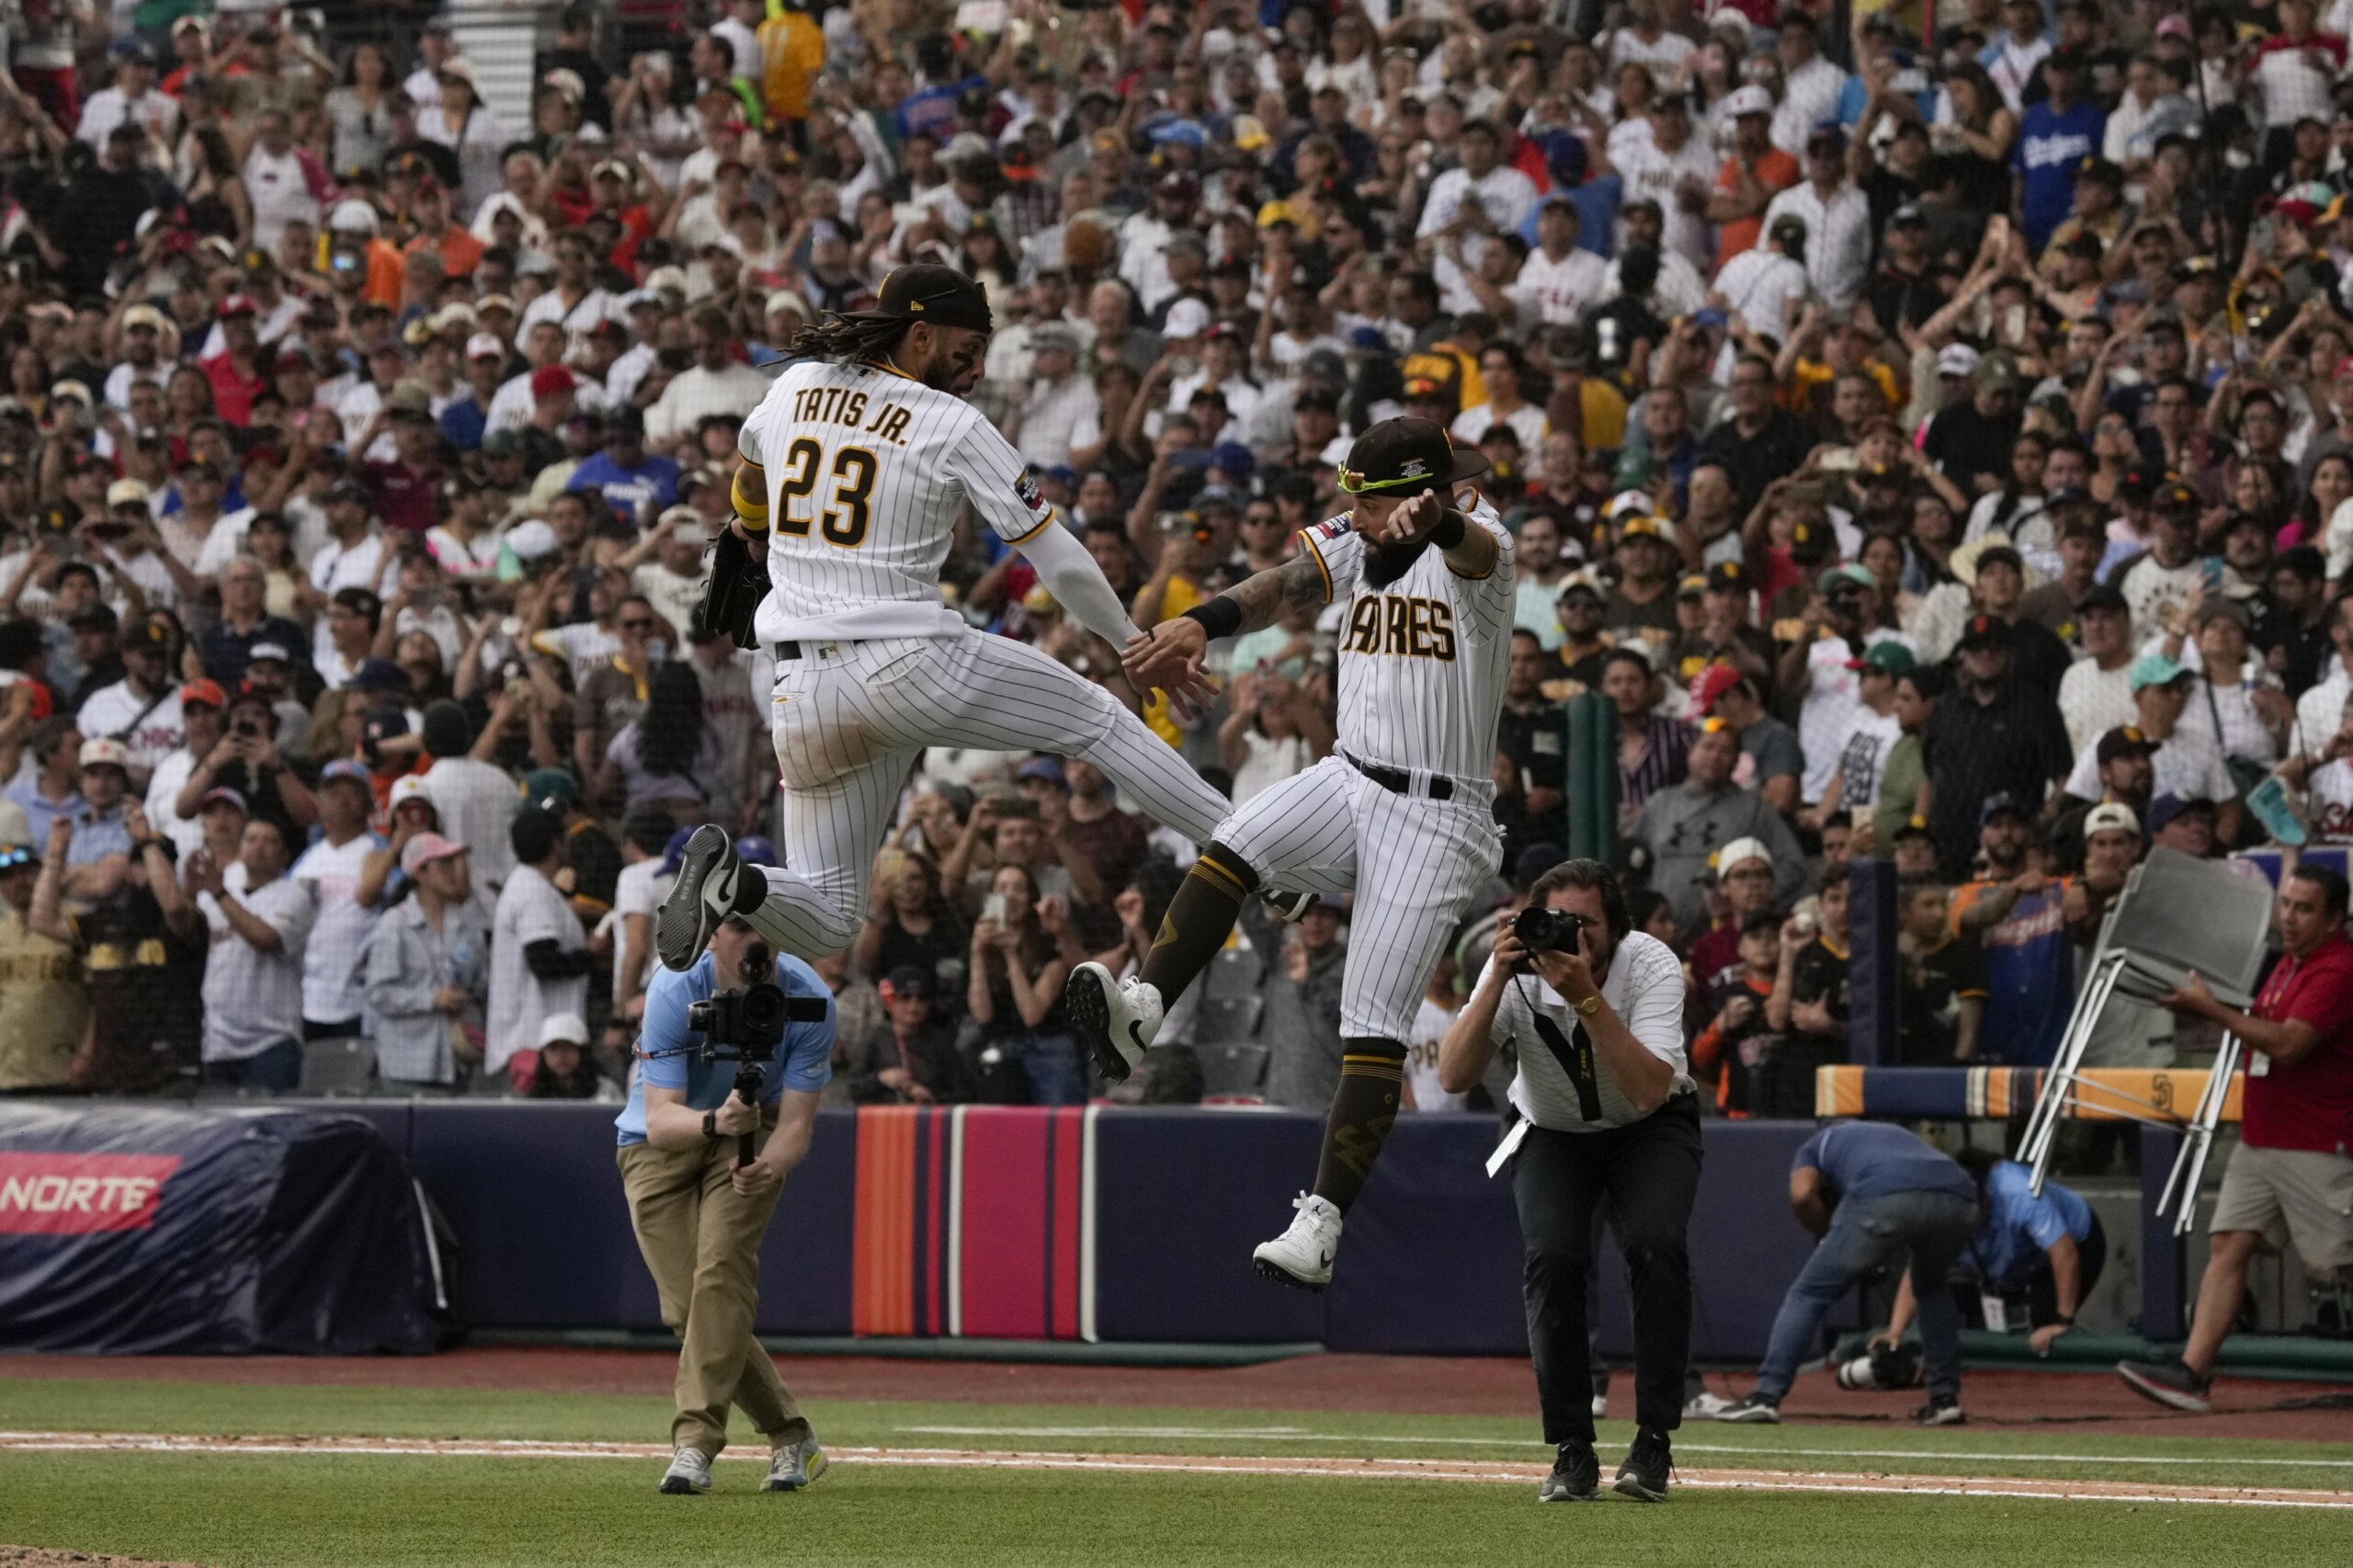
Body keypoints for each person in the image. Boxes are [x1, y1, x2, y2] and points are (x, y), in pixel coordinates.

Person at [659, 265, 1236, 971]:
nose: (979, 366)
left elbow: (749, 472)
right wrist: (1128, 640)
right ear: (920, 333)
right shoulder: (951, 422)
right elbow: (1058, 557)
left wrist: (751, 532)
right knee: (1100, 718)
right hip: (907, 661)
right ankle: (1250, 849)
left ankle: (734, 882)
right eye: (968, 347)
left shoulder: (794, 386)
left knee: (831, 915)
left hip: (803, 691)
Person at [1075, 416, 1514, 1290]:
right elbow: (1282, 584)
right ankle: (1143, 1008)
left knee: (1371, 1018)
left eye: (1365, 494)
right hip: (1352, 775)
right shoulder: (1363, 534)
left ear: (1418, 492)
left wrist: (1436, 524)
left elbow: (1469, 553)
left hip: (1437, 814)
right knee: (1234, 837)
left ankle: (1321, 1222)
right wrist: (1202, 621)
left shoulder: (1483, 538)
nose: (1347, 508)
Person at [1435, 859, 1699, 1504]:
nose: (1570, 935)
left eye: (1586, 923)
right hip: (1551, 1130)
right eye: (1557, 920)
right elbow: (1451, 1075)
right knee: (1552, 1255)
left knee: (1657, 1243)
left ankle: (1653, 1441)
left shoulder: (1652, 963)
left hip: (1651, 1125)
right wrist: (1495, 976)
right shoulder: (1516, 970)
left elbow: (1647, 1091)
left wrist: (1585, 995)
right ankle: (1572, 1446)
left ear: (1617, 927)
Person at [2120, 865, 2353, 1413]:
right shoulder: (2289, 965)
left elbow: (2290, 1045)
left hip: (2317, 1142)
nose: (2288, 919)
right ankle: (2191, 1375)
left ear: (2334, 919)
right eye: (2286, 905)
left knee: (2341, 1265)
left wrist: (2211, 1010)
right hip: (2263, 1138)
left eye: (2303, 909)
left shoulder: (2338, 969)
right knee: (2229, 1243)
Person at [617, 907, 834, 1496]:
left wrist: (771, 1164)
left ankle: (694, 1444)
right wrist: (715, 1119)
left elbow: (797, 1125)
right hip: (660, 1141)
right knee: (688, 1309)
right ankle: (791, 1434)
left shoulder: (810, 998)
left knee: (721, 1274)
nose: (757, 943)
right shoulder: (672, 985)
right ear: (714, 934)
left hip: (749, 1132)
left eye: (771, 931)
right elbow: (661, 1122)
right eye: (741, 928)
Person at [1717, 1123, 1979, 1426]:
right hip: (1960, 1196)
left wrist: (1825, 1232)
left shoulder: (1815, 1147)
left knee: (1809, 1293)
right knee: (1932, 1287)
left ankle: (1766, 1396)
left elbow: (1802, 1195)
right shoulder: (1893, 1135)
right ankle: (1945, 1399)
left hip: (1885, 1194)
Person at [188, 815, 316, 1092]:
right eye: (251, 839)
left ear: (285, 855)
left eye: (270, 841)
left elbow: (265, 939)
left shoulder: (293, 896)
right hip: (218, 1042)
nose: (259, 847)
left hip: (271, 1042)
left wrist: (218, 893)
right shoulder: (215, 897)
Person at [359, 831, 489, 1091]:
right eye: (444, 864)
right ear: (419, 873)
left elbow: (483, 980)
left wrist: (467, 994)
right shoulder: (395, 925)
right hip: (409, 1064)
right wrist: (431, 999)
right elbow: (378, 992)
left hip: (459, 1059)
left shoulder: (468, 924)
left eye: (455, 863)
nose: (454, 871)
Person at [489, 807, 593, 1093]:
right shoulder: (531, 890)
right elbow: (544, 963)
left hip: (542, 1041)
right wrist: (592, 954)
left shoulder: (533, 886)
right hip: (531, 1042)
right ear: (555, 843)